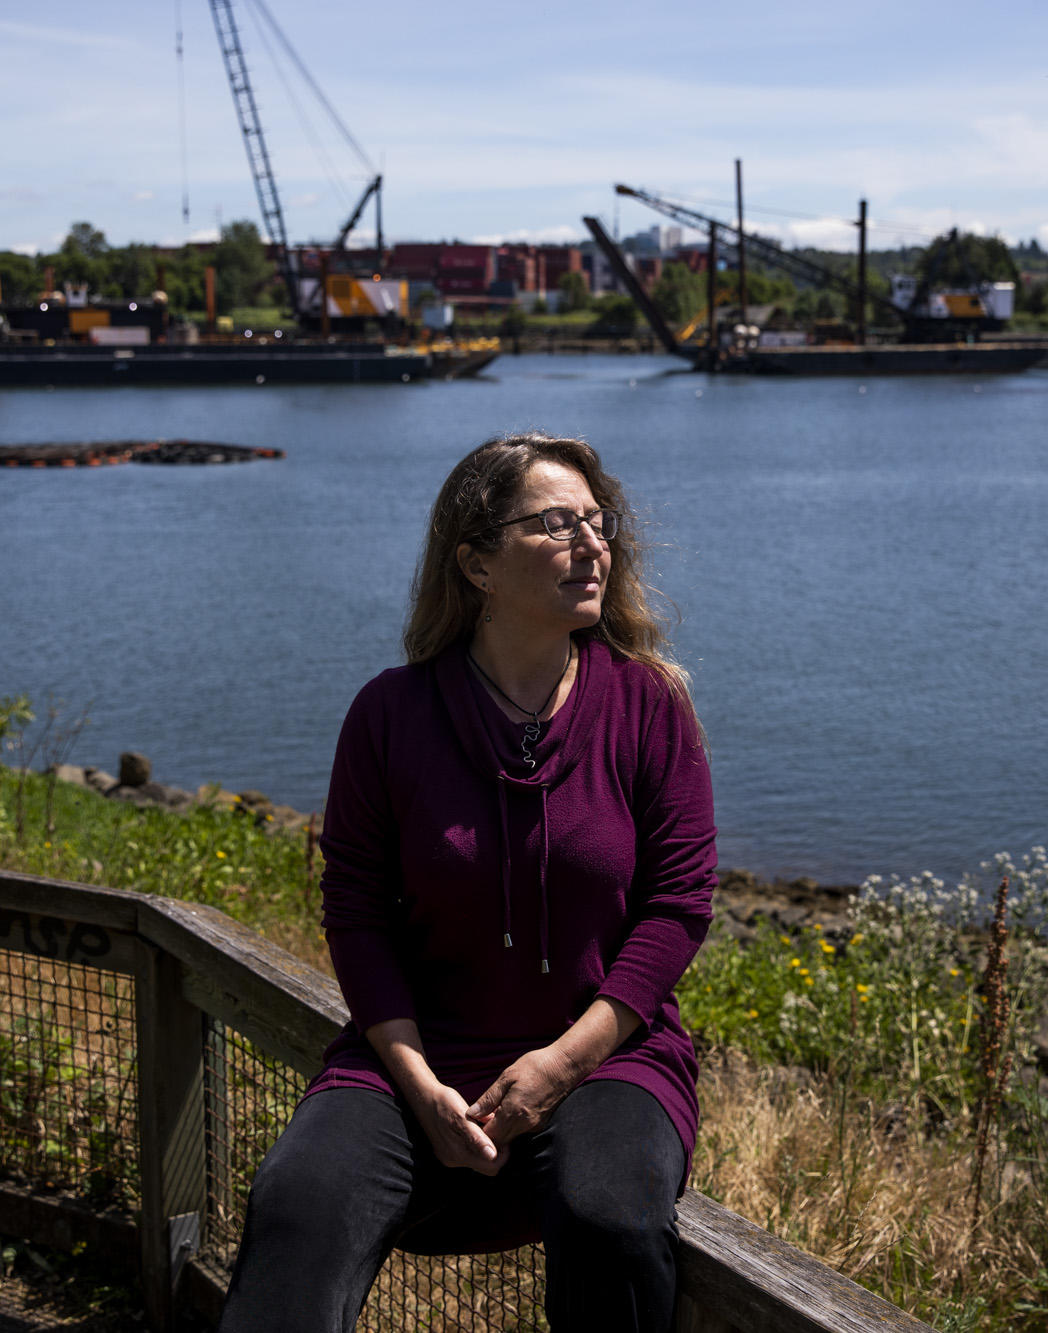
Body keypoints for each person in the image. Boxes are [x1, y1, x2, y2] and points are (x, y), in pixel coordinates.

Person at [217, 433, 717, 1332]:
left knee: (612, 1216)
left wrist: (562, 1063)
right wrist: (415, 1081)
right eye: (557, 524)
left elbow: (678, 907)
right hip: (419, 1060)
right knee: (297, 1201)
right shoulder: (389, 715)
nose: (592, 544)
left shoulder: (650, 705)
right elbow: (357, 914)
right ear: (477, 562)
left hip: (609, 1057)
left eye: (599, 525)